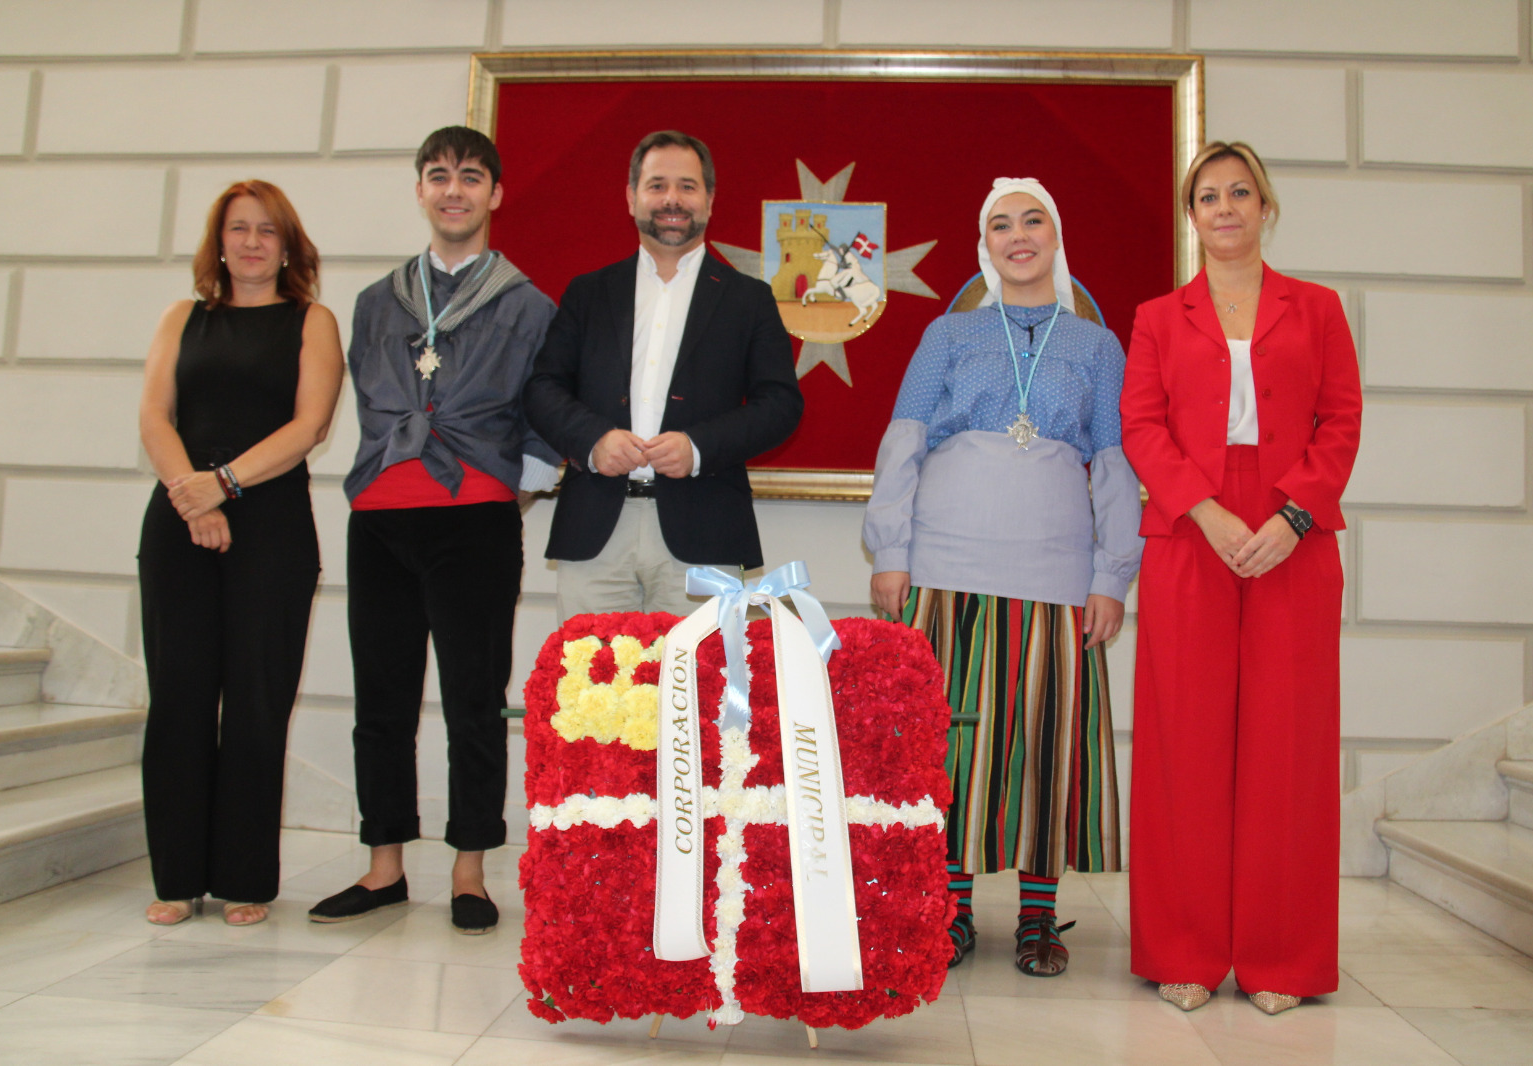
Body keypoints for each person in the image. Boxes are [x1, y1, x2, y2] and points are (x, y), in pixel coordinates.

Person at [863, 178, 1142, 977]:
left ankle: (1038, 918)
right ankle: (950, 913)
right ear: (983, 245)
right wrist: (891, 550)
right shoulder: (947, 335)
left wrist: (1112, 574)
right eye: (1000, 225)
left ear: (1056, 236)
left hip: (1056, 578)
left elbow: (1114, 466)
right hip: (945, 569)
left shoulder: (1098, 347)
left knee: (1044, 742)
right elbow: (904, 443)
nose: (1018, 235)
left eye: (1033, 220)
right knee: (950, 744)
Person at [1120, 141, 1361, 1015]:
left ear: (1266, 208)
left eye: (1239, 193)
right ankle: (1183, 950)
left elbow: (1341, 420)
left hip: (1294, 531)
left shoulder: (1318, 309)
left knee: (1287, 745)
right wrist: (1206, 511)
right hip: (1192, 530)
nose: (1224, 208)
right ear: (1192, 216)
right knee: (1183, 740)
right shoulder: (1157, 316)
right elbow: (1142, 425)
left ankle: (1282, 958)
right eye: (1208, 196)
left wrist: (1292, 518)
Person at [307, 126, 560, 935]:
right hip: (381, 518)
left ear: (495, 193)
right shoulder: (376, 302)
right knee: (381, 700)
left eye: (471, 177)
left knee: (473, 702)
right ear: (420, 189)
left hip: (474, 520)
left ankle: (469, 871)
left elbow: (546, 413)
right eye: (440, 175)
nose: (455, 190)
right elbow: (372, 400)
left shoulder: (529, 306)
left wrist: (508, 491)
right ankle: (383, 865)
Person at [137, 180, 343, 927]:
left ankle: (245, 877)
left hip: (271, 529)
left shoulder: (312, 321)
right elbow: (154, 415)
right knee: (180, 699)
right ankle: (177, 877)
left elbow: (310, 426)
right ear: (218, 242)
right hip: (179, 524)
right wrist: (192, 497)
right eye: (238, 229)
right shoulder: (181, 318)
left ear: (288, 246)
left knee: (257, 703)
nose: (252, 242)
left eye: (267, 230)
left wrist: (221, 485)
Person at [522, 130, 803, 620]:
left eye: (687, 186)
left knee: (697, 673)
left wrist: (698, 447)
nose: (672, 199)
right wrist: (593, 440)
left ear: (709, 200)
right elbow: (543, 388)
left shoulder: (749, 299)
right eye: (657, 186)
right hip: (595, 533)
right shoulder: (588, 293)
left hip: (705, 532)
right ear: (632, 197)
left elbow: (780, 404)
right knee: (589, 671)